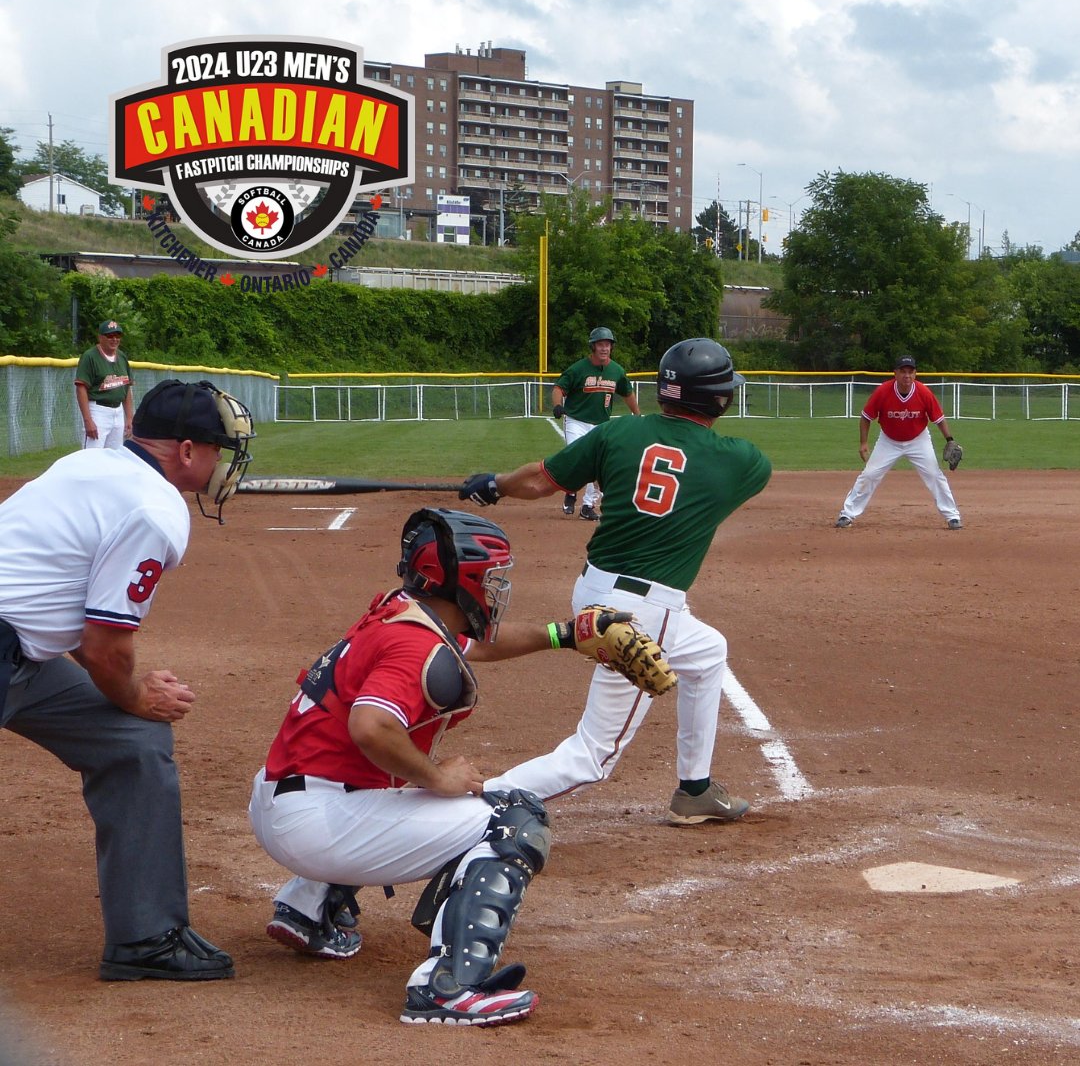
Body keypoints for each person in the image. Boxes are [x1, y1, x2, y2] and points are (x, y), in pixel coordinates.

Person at [251, 508, 573, 1027]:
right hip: (319, 823)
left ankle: (308, 909)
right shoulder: (415, 643)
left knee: (395, 789)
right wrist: (436, 775)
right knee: (513, 818)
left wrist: (566, 635)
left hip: (282, 799)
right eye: (491, 579)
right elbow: (371, 726)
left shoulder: (400, 610)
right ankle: (447, 989)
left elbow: (475, 647)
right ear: (461, 577)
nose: (496, 589)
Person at [0, 378, 254, 981]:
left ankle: (146, 937)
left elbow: (80, 625)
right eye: (219, 449)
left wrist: (130, 700)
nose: (223, 463)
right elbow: (105, 648)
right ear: (188, 451)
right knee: (133, 713)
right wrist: (138, 693)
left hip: (21, 655)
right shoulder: (155, 508)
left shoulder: (91, 464)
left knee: (132, 741)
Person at [459, 338, 771, 825]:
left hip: (595, 587)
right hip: (642, 611)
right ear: (718, 399)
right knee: (593, 755)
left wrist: (494, 484)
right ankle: (465, 804)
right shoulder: (744, 460)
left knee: (708, 652)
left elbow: (541, 481)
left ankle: (695, 789)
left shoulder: (618, 433)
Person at [834, 354, 962, 530]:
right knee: (870, 475)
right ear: (895, 373)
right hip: (889, 441)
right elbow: (865, 418)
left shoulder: (923, 392)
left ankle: (952, 516)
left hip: (918, 440)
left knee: (934, 475)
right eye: (903, 371)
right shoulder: (883, 391)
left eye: (910, 372)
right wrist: (863, 443)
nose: (907, 376)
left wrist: (950, 439)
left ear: (915, 374)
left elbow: (938, 419)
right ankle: (847, 514)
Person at [550, 326, 640, 520]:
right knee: (578, 459)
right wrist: (558, 405)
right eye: (600, 344)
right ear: (593, 346)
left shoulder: (616, 371)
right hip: (576, 421)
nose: (604, 348)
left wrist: (637, 415)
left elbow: (627, 393)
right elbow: (559, 387)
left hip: (601, 424)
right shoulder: (578, 369)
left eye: (608, 344)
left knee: (598, 464)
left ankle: (588, 506)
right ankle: (571, 490)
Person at [75, 319, 135, 449]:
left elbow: (126, 389)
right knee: (92, 458)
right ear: (100, 337)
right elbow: (81, 388)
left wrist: (129, 417)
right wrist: (88, 420)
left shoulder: (122, 357)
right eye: (110, 336)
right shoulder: (90, 357)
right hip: (98, 411)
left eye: (117, 335)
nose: (114, 339)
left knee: (114, 457)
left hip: (118, 412)